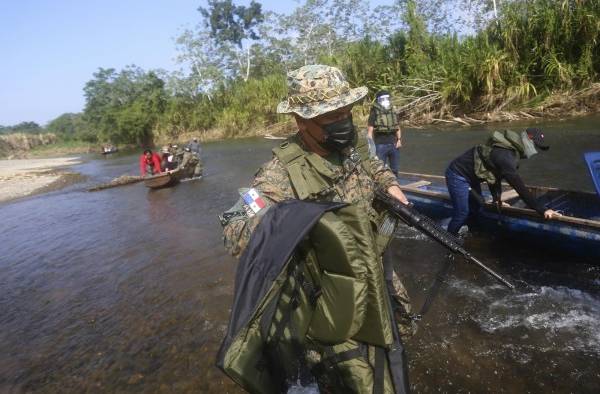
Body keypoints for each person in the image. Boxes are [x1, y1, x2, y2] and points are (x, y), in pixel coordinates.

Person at [219, 65, 413, 393]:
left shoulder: (351, 144)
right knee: (350, 375)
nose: (342, 123)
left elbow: (372, 165)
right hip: (329, 291)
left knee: (400, 331)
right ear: (300, 121)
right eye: (329, 118)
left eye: (346, 113)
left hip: (376, 267)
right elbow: (233, 228)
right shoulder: (276, 176)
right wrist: (298, 221)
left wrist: (390, 184)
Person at [445, 127, 561, 235]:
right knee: (462, 213)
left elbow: (494, 177)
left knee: (478, 206)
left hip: (473, 177)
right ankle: (449, 240)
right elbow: (519, 187)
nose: (535, 150)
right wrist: (542, 209)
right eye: (535, 146)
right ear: (528, 140)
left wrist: (497, 199)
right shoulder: (506, 157)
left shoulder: (511, 151)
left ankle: (471, 232)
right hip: (458, 174)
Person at [367, 90, 402, 178]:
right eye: (383, 99)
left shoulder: (392, 112)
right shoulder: (374, 112)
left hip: (394, 144)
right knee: (380, 169)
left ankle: (396, 185)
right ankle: (381, 187)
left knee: (395, 169)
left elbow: (397, 127)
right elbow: (369, 132)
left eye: (387, 98)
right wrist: (371, 148)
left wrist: (399, 140)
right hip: (380, 145)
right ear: (378, 100)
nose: (386, 100)